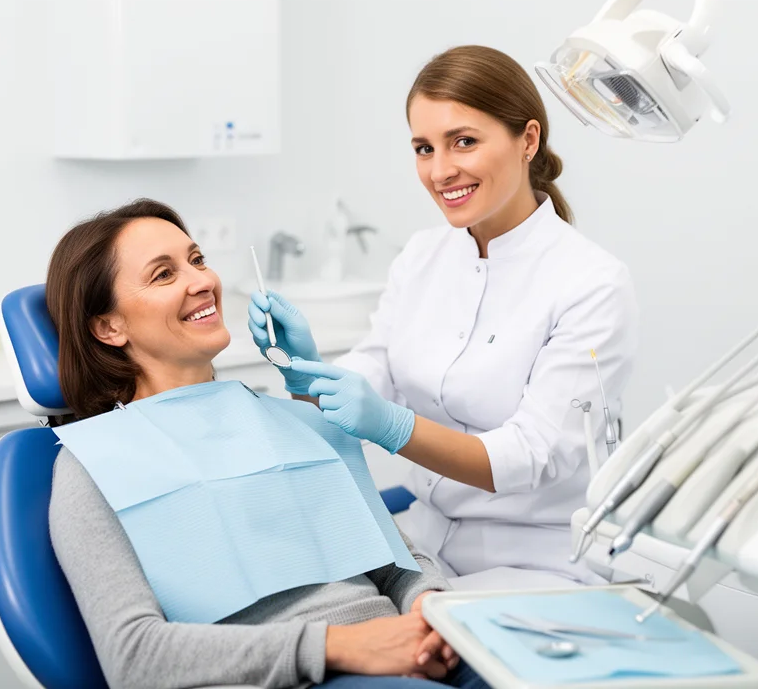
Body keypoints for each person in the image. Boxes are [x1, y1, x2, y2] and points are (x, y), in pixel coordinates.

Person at [45, 199, 489, 689]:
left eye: (197, 260)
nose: (202, 281)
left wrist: (432, 615)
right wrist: (338, 647)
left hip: (415, 648)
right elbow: (135, 658)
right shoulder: (96, 463)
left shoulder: (292, 419)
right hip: (310, 675)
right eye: (163, 275)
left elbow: (399, 566)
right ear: (110, 327)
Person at [248, 46, 639, 589]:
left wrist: (391, 426)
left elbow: (529, 455)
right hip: (424, 544)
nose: (439, 170)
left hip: (536, 562)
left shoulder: (591, 283)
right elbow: (376, 370)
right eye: (423, 148)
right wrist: (306, 372)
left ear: (528, 140)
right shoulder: (422, 255)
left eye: (464, 142)